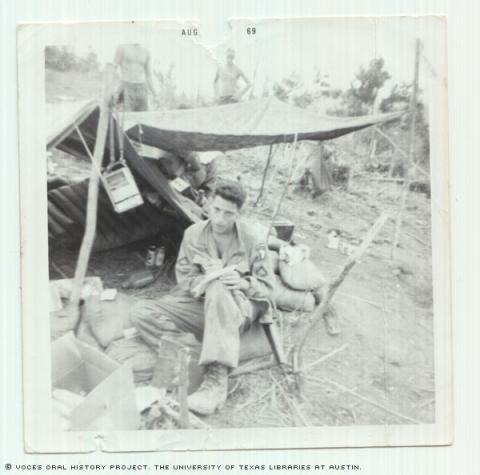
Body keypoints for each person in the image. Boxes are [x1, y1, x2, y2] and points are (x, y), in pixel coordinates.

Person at [130, 179, 274, 415]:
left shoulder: (253, 239)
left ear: (239, 213)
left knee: (219, 288)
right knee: (141, 311)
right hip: (203, 302)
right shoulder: (193, 234)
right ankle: (193, 354)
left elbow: (268, 288)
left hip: (239, 308)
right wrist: (203, 283)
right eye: (216, 210)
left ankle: (216, 382)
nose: (219, 219)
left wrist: (243, 282)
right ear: (207, 203)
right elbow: (185, 278)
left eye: (228, 214)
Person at [114, 43, 157, 111]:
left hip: (142, 88)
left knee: (143, 118)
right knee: (128, 118)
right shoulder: (122, 48)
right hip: (127, 86)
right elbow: (114, 68)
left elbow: (148, 75)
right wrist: (116, 89)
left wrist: (155, 94)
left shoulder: (145, 51)